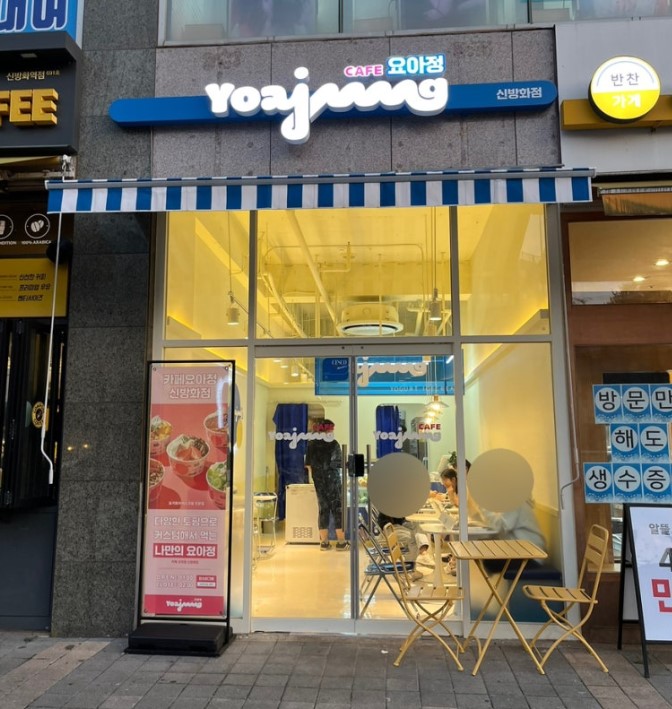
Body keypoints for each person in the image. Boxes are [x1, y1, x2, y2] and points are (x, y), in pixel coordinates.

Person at [304, 418, 349, 550]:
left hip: (318, 480)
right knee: (337, 509)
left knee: (323, 509)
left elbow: (308, 465)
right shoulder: (333, 444)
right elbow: (338, 463)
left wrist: (315, 478)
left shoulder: (311, 444)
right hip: (333, 480)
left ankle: (324, 543)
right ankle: (341, 542)